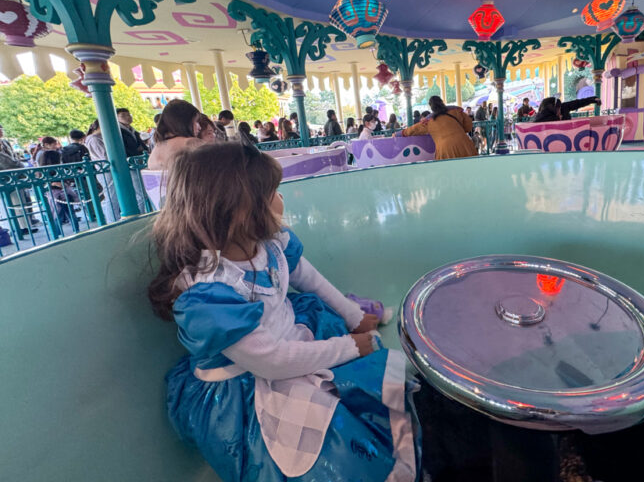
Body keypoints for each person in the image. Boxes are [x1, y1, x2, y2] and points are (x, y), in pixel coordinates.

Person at [148, 143, 416, 482]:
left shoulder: (269, 244)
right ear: (238, 211)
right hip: (248, 383)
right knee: (323, 442)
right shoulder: (209, 295)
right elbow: (271, 361)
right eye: (272, 193)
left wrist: (352, 315)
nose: (281, 200)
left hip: (288, 342)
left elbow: (308, 277)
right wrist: (352, 345)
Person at [400, 95, 477, 160]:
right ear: (442, 102)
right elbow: (468, 126)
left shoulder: (428, 121)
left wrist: (399, 133)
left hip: (445, 150)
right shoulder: (456, 111)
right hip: (464, 145)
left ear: (431, 107)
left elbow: (413, 129)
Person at [147, 99, 202, 171]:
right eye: (196, 121)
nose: (199, 127)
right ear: (185, 122)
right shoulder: (191, 143)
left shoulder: (157, 148)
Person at [39, 149, 80, 226]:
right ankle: (76, 229)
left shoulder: (42, 170)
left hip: (53, 194)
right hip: (63, 193)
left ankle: (58, 232)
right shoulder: (60, 168)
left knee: (57, 214)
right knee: (69, 213)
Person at [533, 96, 601, 123]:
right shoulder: (541, 116)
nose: (559, 110)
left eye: (559, 108)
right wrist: (556, 118)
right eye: (557, 108)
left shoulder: (564, 107)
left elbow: (578, 103)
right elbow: (538, 122)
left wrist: (593, 99)